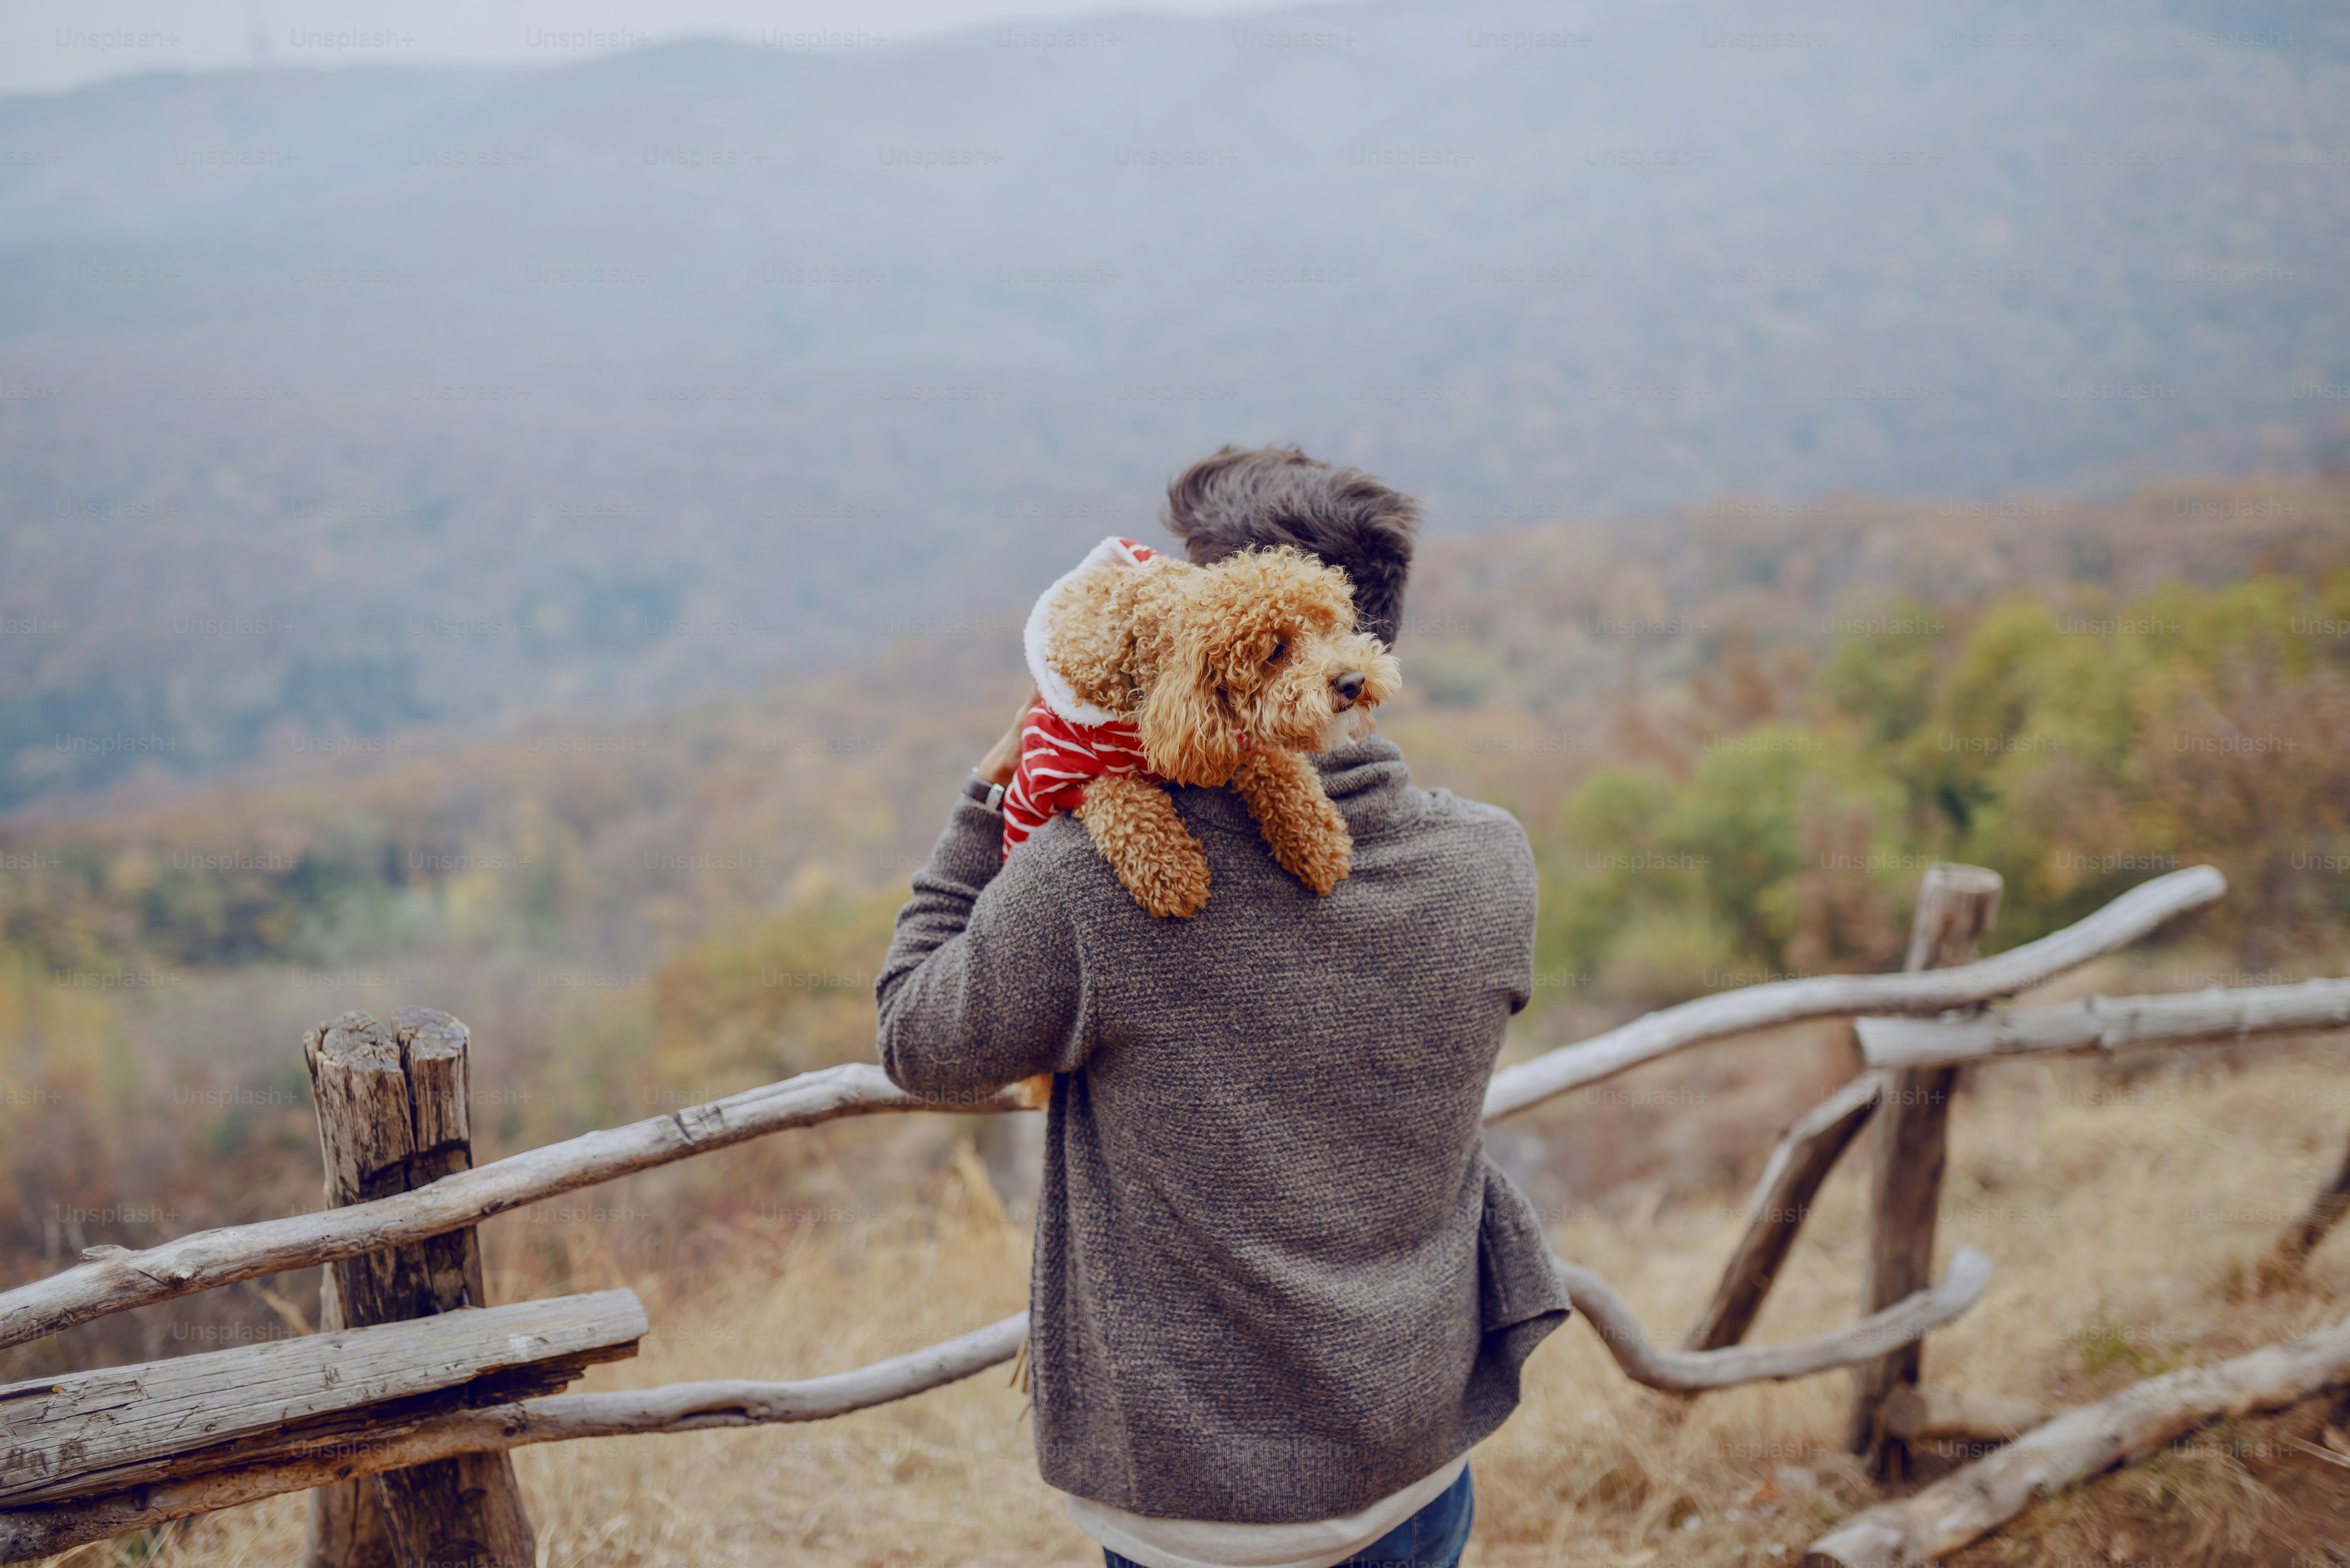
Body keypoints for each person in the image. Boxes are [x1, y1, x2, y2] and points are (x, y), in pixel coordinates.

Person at [876, 445, 1570, 1568]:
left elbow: (918, 1036)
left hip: (1195, 1505)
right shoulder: (1492, 862)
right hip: (1417, 1456)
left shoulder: (1088, 887)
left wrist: (989, 798)